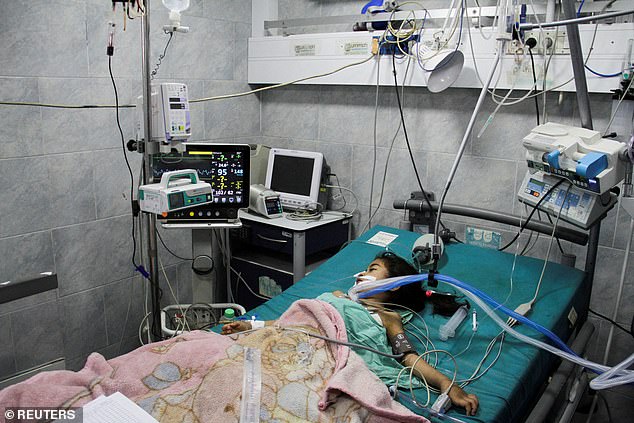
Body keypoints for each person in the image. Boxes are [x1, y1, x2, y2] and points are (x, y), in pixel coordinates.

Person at [222, 252, 479, 416]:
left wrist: (448, 385)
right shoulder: (337, 297)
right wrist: (253, 326)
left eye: (372, 269)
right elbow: (294, 321)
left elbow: (407, 357)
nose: (362, 274)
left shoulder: (389, 318)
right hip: (291, 341)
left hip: (323, 359)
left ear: (394, 284)